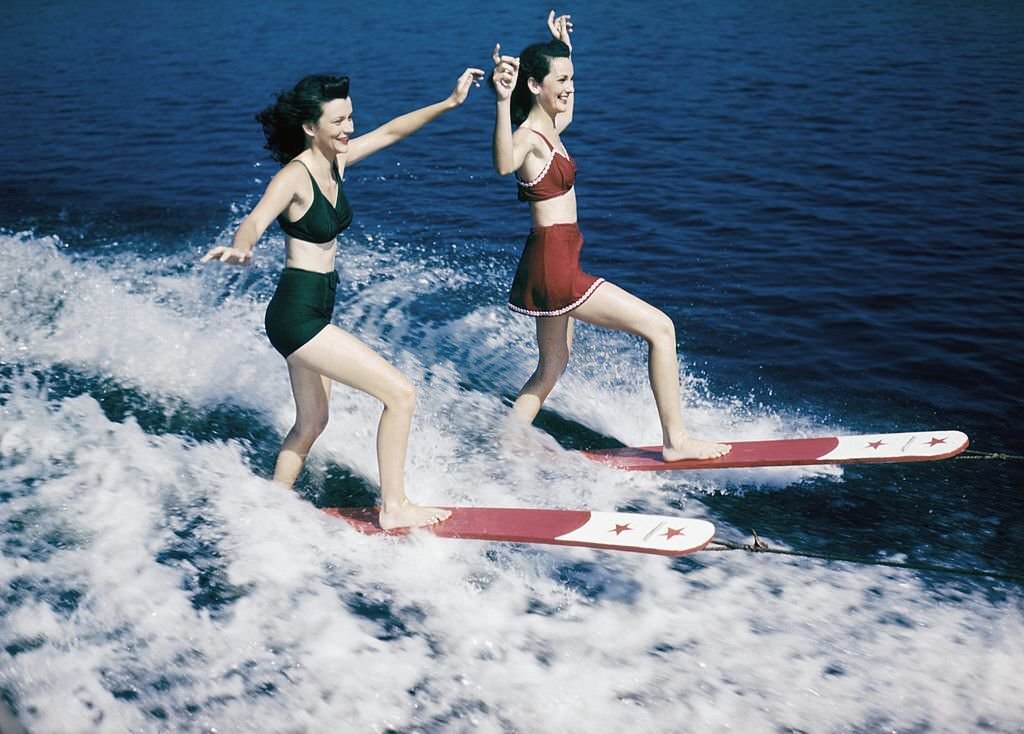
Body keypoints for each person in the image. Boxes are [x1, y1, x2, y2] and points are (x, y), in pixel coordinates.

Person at [200, 67, 484, 529]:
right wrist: (242, 247)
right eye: (338, 121)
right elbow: (255, 219)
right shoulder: (293, 177)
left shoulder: (338, 160)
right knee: (401, 395)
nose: (349, 128)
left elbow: (391, 131)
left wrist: (449, 103)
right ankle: (394, 507)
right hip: (297, 315)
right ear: (310, 127)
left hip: (314, 309)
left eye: (350, 117)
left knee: (312, 423)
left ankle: (270, 506)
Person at [489, 12, 729, 461]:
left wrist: (562, 50)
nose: (569, 86)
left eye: (572, 78)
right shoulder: (527, 137)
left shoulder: (550, 129)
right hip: (556, 264)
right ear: (534, 86)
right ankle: (677, 441)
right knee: (661, 329)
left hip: (550, 257)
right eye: (560, 80)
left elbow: (567, 106)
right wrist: (502, 101)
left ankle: (504, 441)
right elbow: (504, 163)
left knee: (552, 364)